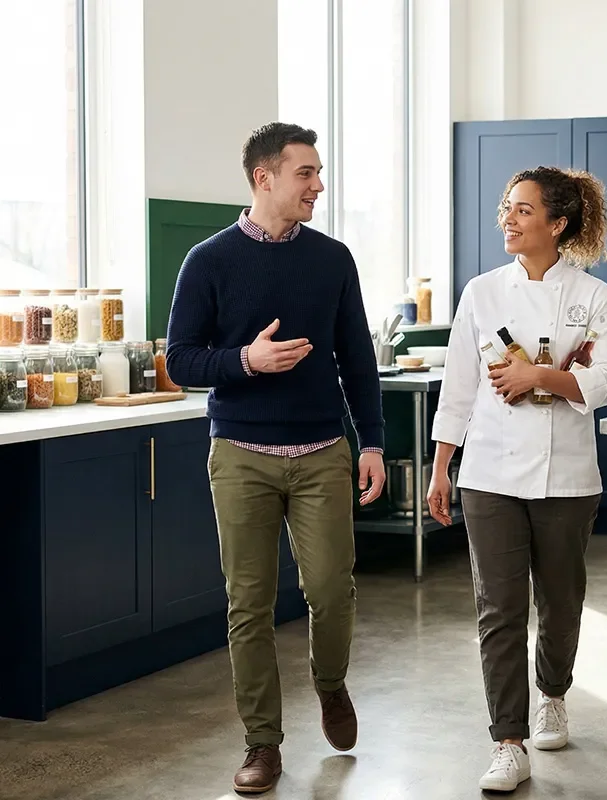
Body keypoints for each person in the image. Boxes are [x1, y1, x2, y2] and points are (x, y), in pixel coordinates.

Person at [166, 122, 386, 795]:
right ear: (266, 178)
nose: (318, 184)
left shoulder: (333, 258)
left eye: (317, 173)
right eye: (306, 173)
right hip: (240, 454)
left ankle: (330, 685)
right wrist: (245, 361)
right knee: (249, 603)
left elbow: (359, 357)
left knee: (330, 590)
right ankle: (262, 743)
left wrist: (372, 442)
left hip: (323, 450)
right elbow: (180, 360)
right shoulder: (208, 260)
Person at [426, 166, 607, 793]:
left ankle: (554, 694)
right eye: (506, 208)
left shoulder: (592, 296)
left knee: (561, 603)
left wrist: (541, 378)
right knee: (498, 609)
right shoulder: (482, 293)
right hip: (488, 472)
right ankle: (507, 741)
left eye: (522, 210)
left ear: (557, 224)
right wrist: (440, 466)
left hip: (568, 475)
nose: (507, 219)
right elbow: (459, 386)